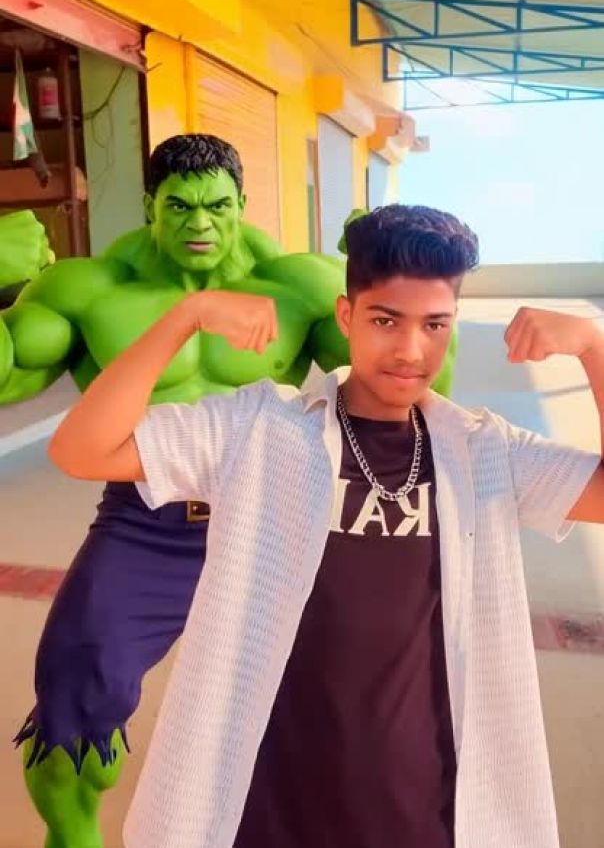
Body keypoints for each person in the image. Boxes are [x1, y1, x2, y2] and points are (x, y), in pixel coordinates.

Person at [48, 203, 604, 848]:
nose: (410, 350)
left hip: (424, 799)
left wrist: (595, 347)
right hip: (270, 796)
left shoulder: (484, 450)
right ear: (346, 317)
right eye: (385, 320)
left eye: (434, 325)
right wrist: (184, 318)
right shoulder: (261, 428)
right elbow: (82, 451)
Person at [1, 135, 459, 847]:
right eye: (179, 207)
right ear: (150, 204)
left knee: (343, 713)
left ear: (242, 203)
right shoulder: (91, 289)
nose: (200, 223)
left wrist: (389, 280)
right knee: (74, 709)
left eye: (217, 206)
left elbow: (421, 390)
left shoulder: (298, 286)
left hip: (276, 514)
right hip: (147, 521)